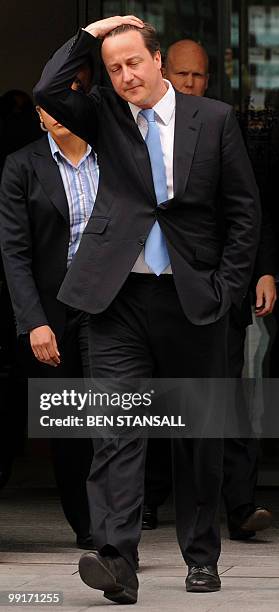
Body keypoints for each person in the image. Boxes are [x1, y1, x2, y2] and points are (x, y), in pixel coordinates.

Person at [34, 15, 261, 601]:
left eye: (134, 62)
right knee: (116, 428)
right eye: (114, 68)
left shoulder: (213, 120)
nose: (126, 75)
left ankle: (202, 555)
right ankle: (116, 559)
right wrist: (92, 33)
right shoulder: (105, 113)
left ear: (157, 61)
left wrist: (225, 289)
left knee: (197, 434)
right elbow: (49, 91)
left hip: (193, 300)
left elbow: (243, 213)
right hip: (117, 300)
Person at [143, 39, 276, 538]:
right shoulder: (138, 128)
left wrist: (254, 272)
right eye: (183, 75)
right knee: (159, 398)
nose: (191, 84)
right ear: (163, 72)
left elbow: (250, 206)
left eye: (199, 76)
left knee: (227, 400)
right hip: (158, 288)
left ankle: (240, 506)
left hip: (218, 288)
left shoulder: (220, 123)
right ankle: (151, 499)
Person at [0, 72, 99, 548]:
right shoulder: (22, 166)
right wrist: (35, 322)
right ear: (37, 114)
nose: (53, 110)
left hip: (113, 308)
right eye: (44, 103)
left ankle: (121, 518)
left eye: (62, 100)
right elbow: (14, 253)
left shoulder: (114, 157)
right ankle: (90, 527)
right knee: (71, 426)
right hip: (54, 312)